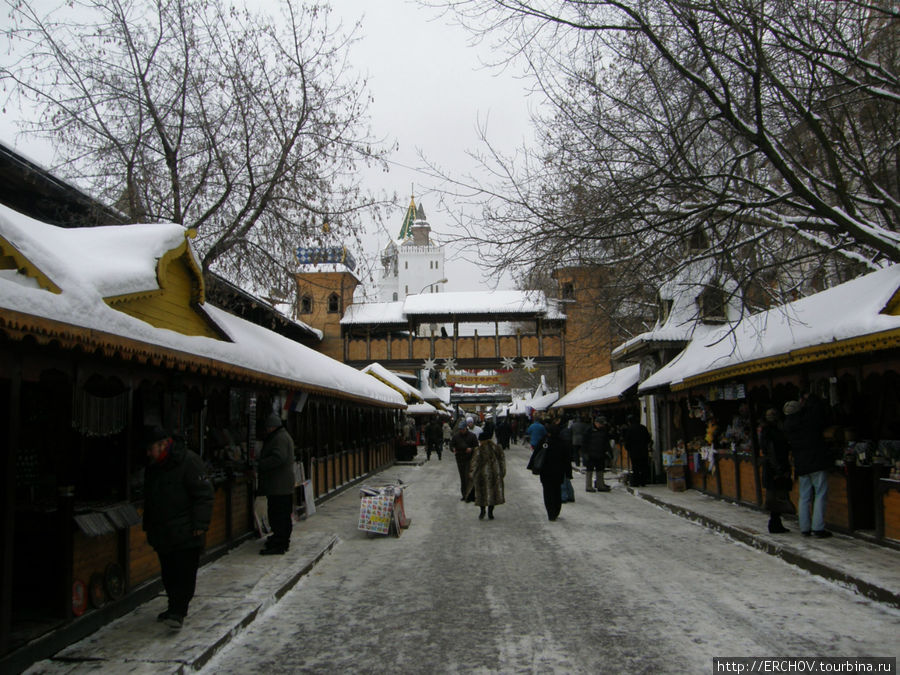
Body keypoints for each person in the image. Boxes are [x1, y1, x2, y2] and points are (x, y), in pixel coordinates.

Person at [142, 425, 214, 631]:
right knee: (169, 572)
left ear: (163, 444)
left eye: (151, 449)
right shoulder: (154, 466)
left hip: (186, 529)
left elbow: (204, 494)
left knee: (184, 572)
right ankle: (173, 605)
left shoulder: (188, 461)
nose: (148, 454)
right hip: (163, 531)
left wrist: (200, 525)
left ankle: (178, 610)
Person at [783, 395, 832, 538]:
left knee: (804, 496)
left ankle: (804, 527)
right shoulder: (807, 421)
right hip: (816, 461)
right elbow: (817, 414)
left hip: (801, 464)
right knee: (820, 493)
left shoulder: (788, 426)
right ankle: (818, 527)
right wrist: (810, 399)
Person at [257, 412, 296, 555]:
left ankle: (280, 543)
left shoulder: (279, 438)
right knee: (281, 514)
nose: (266, 430)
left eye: (268, 428)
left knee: (279, 514)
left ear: (272, 427)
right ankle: (279, 539)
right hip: (280, 485)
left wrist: (261, 464)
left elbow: (278, 457)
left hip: (279, 485)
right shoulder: (282, 436)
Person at [758, 407, 793, 534]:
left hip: (773, 466)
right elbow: (772, 452)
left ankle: (776, 523)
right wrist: (779, 470)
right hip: (775, 467)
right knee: (776, 495)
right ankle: (774, 524)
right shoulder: (771, 432)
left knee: (775, 495)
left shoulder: (767, 431)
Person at [468, 422, 506, 520]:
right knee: (493, 495)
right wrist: (502, 472)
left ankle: (482, 511)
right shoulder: (497, 448)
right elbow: (502, 460)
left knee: (482, 495)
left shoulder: (479, 450)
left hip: (481, 476)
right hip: (495, 475)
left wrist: (472, 474)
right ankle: (490, 512)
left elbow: (475, 463)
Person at [538, 418, 572, 521]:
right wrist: (568, 473)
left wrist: (534, 468)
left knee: (547, 492)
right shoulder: (562, 443)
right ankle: (556, 511)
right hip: (558, 472)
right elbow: (567, 460)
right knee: (557, 491)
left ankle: (550, 512)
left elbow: (537, 455)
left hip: (545, 472)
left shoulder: (544, 441)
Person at [450, 418, 479, 501]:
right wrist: (453, 449)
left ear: (466, 428)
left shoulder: (472, 436)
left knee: (469, 477)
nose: (461, 431)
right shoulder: (456, 437)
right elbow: (451, 445)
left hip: (469, 459)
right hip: (460, 459)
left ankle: (471, 495)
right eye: (460, 429)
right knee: (463, 478)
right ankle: (464, 495)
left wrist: (471, 449)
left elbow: (476, 447)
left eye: (462, 429)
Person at [584, 416, 613, 492]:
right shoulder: (589, 430)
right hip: (591, 454)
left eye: (603, 424)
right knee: (589, 470)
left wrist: (609, 452)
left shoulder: (604, 430)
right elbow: (584, 442)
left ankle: (600, 485)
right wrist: (585, 453)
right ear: (596, 423)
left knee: (600, 470)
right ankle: (588, 486)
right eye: (601, 424)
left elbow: (606, 442)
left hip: (600, 453)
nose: (602, 425)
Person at [623, 414, 652, 487]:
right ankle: (643, 481)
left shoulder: (629, 429)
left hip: (634, 452)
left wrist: (628, 448)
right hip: (643, 451)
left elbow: (627, 441)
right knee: (643, 466)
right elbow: (648, 439)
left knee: (635, 467)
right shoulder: (643, 428)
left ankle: (636, 482)